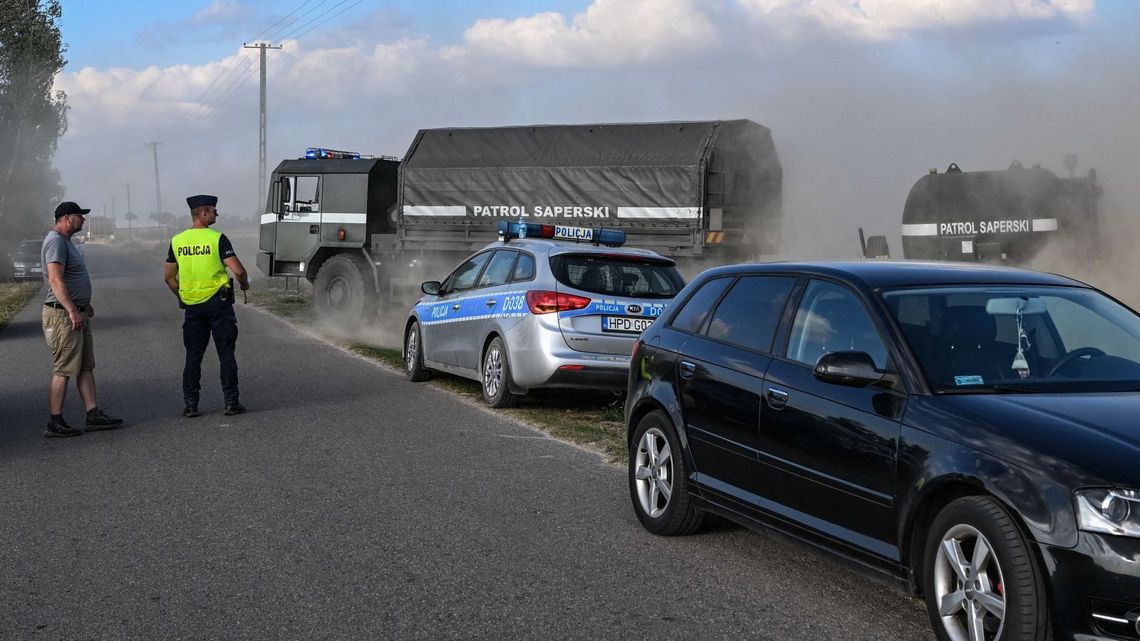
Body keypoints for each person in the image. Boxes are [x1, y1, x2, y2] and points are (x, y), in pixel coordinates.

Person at [41, 201, 125, 437]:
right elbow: (55, 280)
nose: (84, 220)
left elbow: (70, 277)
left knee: (85, 366)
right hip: (62, 314)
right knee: (64, 368)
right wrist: (71, 309)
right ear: (67, 218)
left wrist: (82, 304)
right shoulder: (56, 241)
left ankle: (93, 415)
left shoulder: (66, 241)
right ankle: (54, 422)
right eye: (80, 216)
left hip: (76, 311)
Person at [164, 194, 251, 418]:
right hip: (218, 304)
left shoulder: (177, 241)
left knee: (193, 357)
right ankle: (231, 403)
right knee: (226, 355)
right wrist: (244, 284)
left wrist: (182, 295)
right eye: (213, 210)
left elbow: (169, 277)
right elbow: (239, 271)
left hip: (192, 307)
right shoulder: (217, 239)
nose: (216, 214)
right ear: (203, 213)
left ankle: (191, 405)